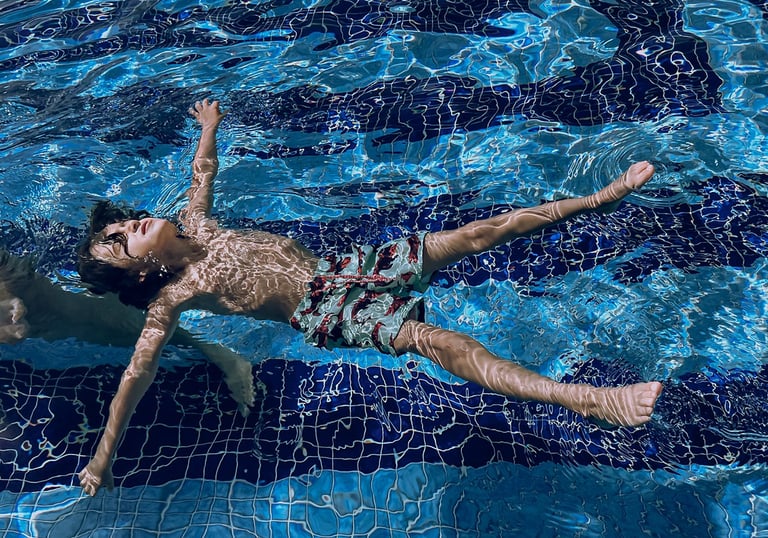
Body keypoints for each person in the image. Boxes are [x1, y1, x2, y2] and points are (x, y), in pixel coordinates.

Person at [75, 98, 663, 496]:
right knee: (441, 341)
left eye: (120, 226)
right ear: (142, 271)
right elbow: (136, 376)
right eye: (120, 243)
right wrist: (103, 458)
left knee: (479, 232)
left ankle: (596, 200)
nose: (129, 228)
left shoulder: (194, 223)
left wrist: (208, 126)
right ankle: (587, 399)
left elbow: (204, 170)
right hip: (326, 309)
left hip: (347, 269)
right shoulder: (169, 300)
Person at [0, 249, 255, 414]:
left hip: (23, 289)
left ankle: (214, 348)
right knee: (65, 323)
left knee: (75, 314)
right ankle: (209, 346)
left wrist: (6, 292)